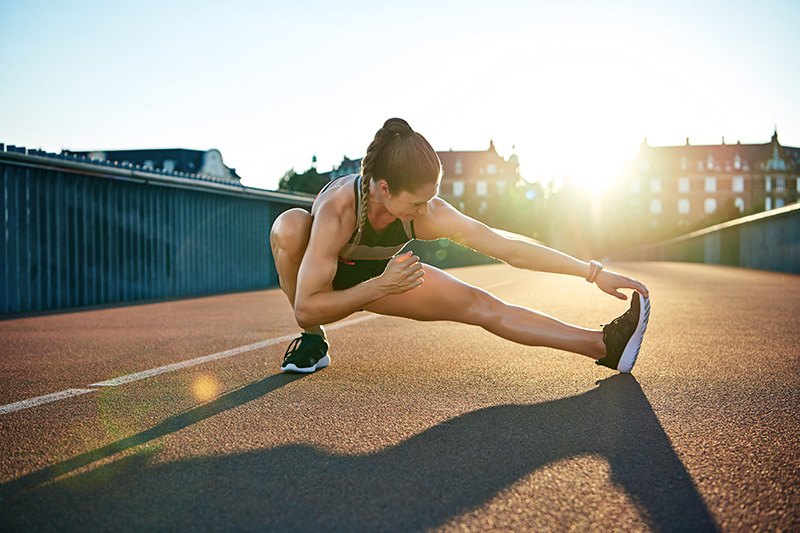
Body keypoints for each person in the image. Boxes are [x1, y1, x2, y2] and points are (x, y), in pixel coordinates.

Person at [270, 118, 650, 374]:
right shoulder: (340, 210)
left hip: (382, 277)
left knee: (481, 305)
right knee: (289, 226)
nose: (426, 210)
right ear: (384, 189)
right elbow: (306, 307)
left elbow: (509, 248)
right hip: (333, 284)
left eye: (431, 199)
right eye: (417, 203)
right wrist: (379, 286)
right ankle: (314, 344)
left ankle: (604, 347)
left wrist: (592, 271)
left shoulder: (428, 211)